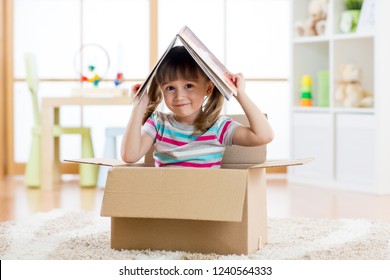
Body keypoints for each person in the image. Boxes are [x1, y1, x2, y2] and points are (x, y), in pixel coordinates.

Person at [121, 46, 274, 168]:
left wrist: (240, 94)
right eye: (170, 88)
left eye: (189, 86)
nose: (179, 96)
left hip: (203, 203)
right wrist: (138, 107)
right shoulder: (158, 123)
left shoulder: (219, 127)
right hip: (167, 201)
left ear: (208, 88)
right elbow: (129, 156)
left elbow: (264, 136)